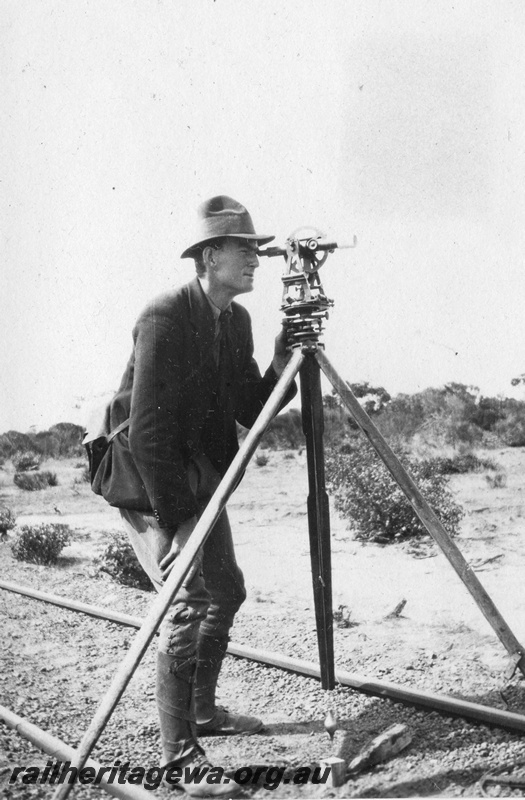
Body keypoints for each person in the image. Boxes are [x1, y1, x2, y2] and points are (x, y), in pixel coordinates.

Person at [109, 196, 296, 796]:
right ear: (211, 257)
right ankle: (179, 757)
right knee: (188, 596)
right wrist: (180, 522)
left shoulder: (234, 322)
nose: (257, 262)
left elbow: (248, 408)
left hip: (190, 472)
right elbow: (148, 434)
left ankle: (204, 715)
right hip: (145, 475)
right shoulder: (166, 314)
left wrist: (282, 359)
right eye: (246, 251)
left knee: (228, 589)